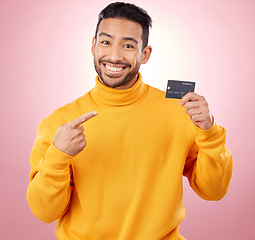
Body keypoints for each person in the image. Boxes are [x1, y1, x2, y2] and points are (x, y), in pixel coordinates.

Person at [27, 2, 233, 240]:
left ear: (144, 54)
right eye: (105, 42)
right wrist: (58, 156)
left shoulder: (179, 111)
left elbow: (214, 191)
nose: (114, 56)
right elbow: (44, 212)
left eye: (127, 45)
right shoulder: (59, 124)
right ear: (93, 46)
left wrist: (209, 132)